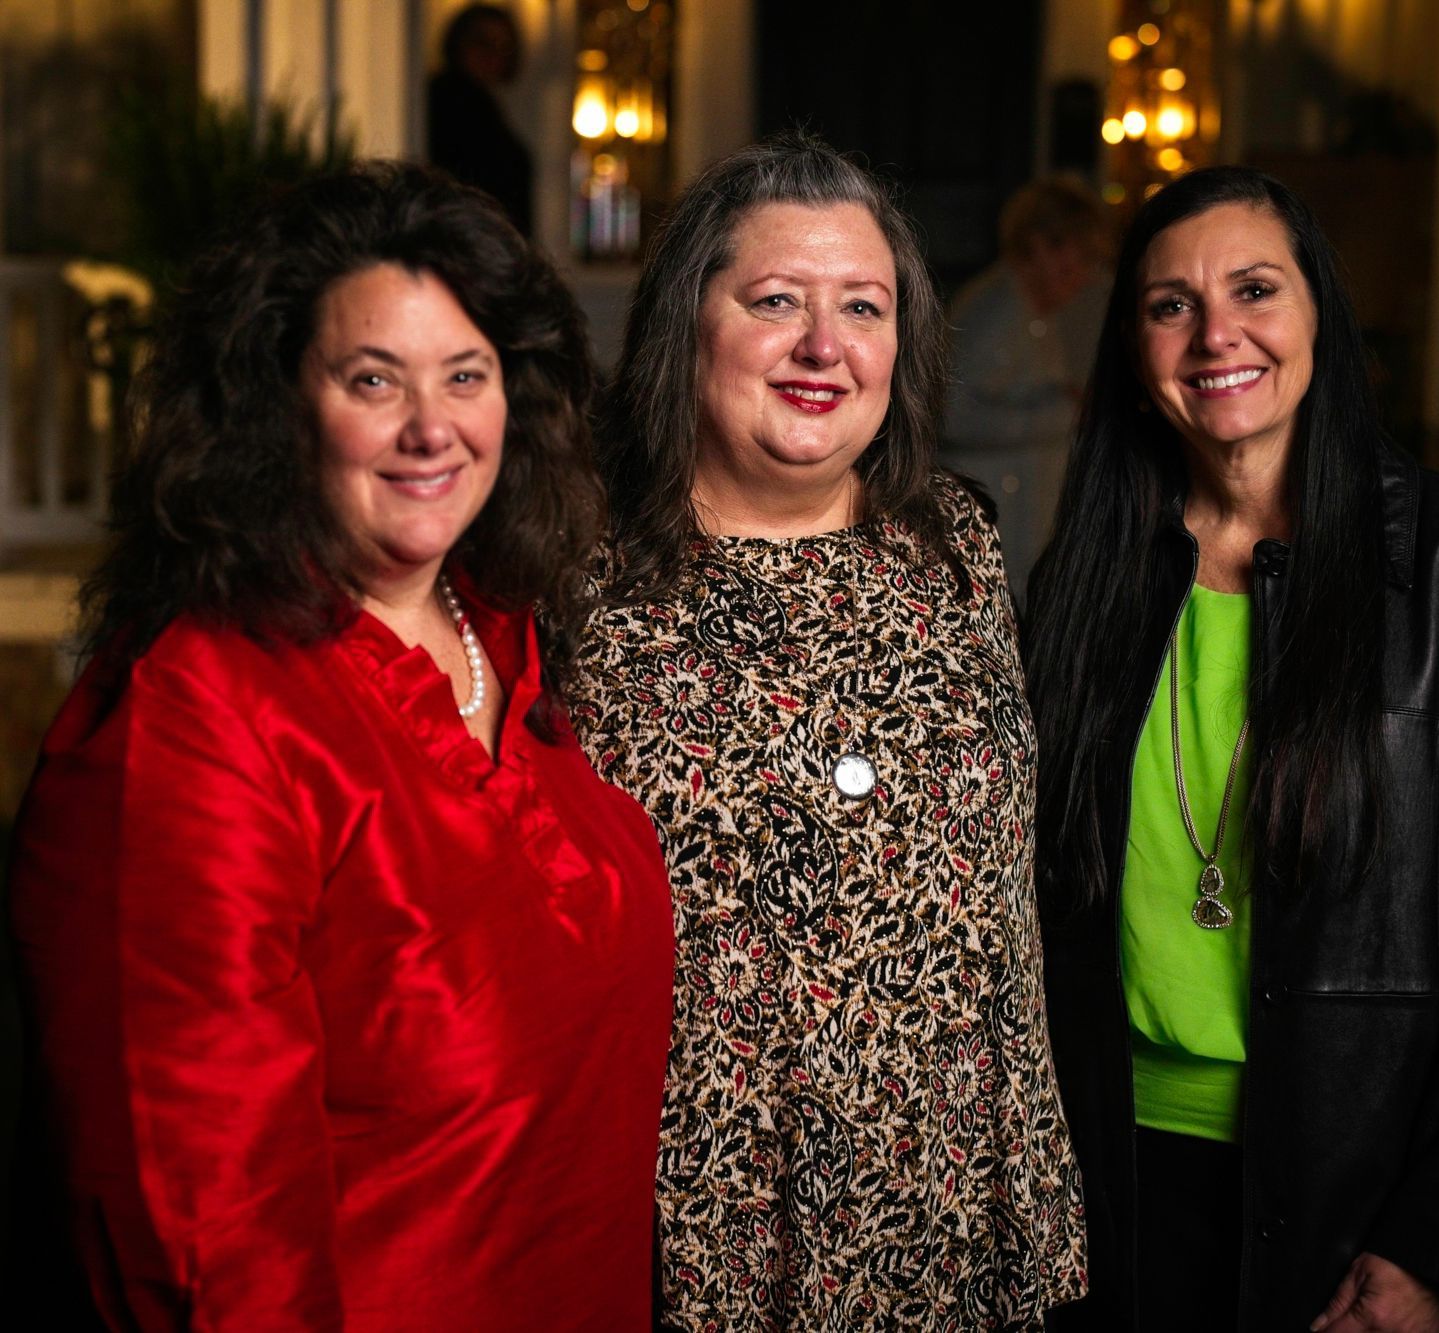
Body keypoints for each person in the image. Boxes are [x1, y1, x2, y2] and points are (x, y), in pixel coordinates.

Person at [7, 163, 673, 1330]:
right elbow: (197, 1231)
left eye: (465, 376)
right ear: (276, 405)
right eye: (375, 379)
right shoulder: (196, 711)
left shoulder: (507, 626)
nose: (431, 427)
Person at [1025, 165, 1439, 1331]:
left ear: (1317, 317)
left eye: (1253, 289)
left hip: (1366, 1196)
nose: (1213, 333)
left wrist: (1435, 1246)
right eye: (1168, 304)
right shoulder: (1084, 581)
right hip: (1111, 1185)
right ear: (1132, 350)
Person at [567, 132, 1087, 1329]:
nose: (823, 345)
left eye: (863, 305)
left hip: (945, 1195)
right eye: (774, 301)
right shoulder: (575, 568)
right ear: (685, 323)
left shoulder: (954, 543)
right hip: (690, 1216)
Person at [943, 176, 1113, 596]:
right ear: (1041, 246)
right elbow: (951, 416)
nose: (1083, 276)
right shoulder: (995, 309)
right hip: (987, 522)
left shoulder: (1032, 313)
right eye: (1079, 258)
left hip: (1016, 524)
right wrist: (1066, 411)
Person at [427, 4, 535, 236]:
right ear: (459, 42)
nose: (492, 55)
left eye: (503, 47)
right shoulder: (448, 99)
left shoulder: (484, 105)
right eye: (482, 42)